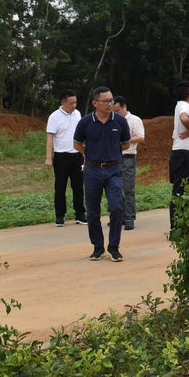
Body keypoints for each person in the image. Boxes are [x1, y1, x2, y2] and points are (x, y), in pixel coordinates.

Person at [73, 86, 131, 262]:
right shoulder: (85, 122)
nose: (109, 104)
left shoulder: (120, 121)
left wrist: (112, 150)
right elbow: (77, 144)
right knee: (93, 211)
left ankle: (114, 247)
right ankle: (98, 247)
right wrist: (90, 154)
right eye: (105, 101)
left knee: (117, 207)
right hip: (92, 170)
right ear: (95, 103)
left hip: (114, 170)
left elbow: (126, 144)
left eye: (111, 100)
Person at [45, 89, 86, 227]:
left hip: (77, 156)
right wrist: (48, 157)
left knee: (78, 187)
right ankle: (60, 216)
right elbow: (50, 137)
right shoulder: (54, 117)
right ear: (63, 102)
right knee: (60, 187)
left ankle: (80, 215)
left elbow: (81, 134)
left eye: (75, 102)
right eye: (71, 103)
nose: (74, 105)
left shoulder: (77, 114)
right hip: (61, 157)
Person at [112, 96, 145, 230]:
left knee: (128, 188)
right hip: (113, 158)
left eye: (118, 110)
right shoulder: (112, 120)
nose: (116, 113)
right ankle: (118, 217)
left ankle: (129, 218)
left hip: (128, 156)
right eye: (114, 111)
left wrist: (125, 139)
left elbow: (141, 137)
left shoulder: (134, 120)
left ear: (124, 107)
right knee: (115, 188)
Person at [169, 81, 189, 231]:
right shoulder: (183, 106)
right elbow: (184, 118)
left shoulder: (183, 106)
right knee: (180, 190)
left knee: (186, 189)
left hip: (185, 153)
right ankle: (176, 227)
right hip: (183, 154)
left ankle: (184, 225)